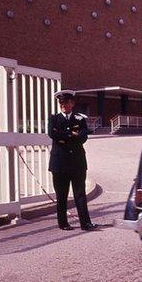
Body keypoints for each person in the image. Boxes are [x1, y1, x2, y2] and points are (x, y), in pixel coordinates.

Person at [48, 89, 98, 231]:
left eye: (66, 102)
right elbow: (53, 134)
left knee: (80, 194)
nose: (63, 105)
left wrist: (65, 136)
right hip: (59, 164)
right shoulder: (54, 118)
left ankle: (85, 223)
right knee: (61, 195)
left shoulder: (80, 119)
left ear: (72, 103)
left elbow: (84, 137)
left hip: (77, 163)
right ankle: (63, 223)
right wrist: (72, 135)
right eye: (61, 102)